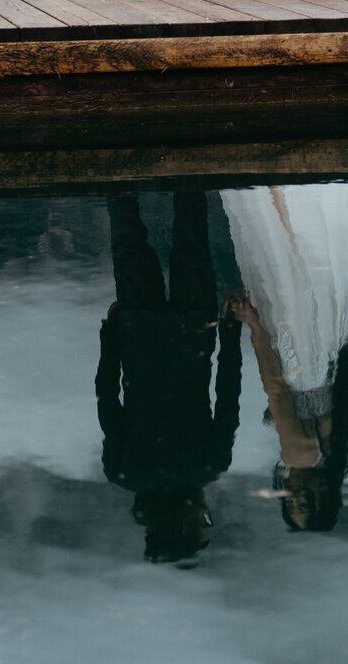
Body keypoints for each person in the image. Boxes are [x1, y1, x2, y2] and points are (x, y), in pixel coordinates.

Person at [96, 192, 242, 564]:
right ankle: (118, 170)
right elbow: (107, 399)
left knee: (191, 237)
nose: (206, 511)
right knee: (128, 240)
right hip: (139, 334)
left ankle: (187, 170)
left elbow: (227, 392)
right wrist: (111, 338)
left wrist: (229, 330)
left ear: (185, 525)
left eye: (203, 521)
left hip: (193, 331)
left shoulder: (211, 465)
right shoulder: (123, 472)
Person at [223, 181, 348, 532]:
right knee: (276, 255)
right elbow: (276, 391)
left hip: (322, 348)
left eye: (292, 504)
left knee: (308, 264)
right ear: (322, 495)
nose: (294, 496)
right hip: (294, 360)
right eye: (304, 502)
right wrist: (255, 327)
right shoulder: (300, 456)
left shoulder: (336, 445)